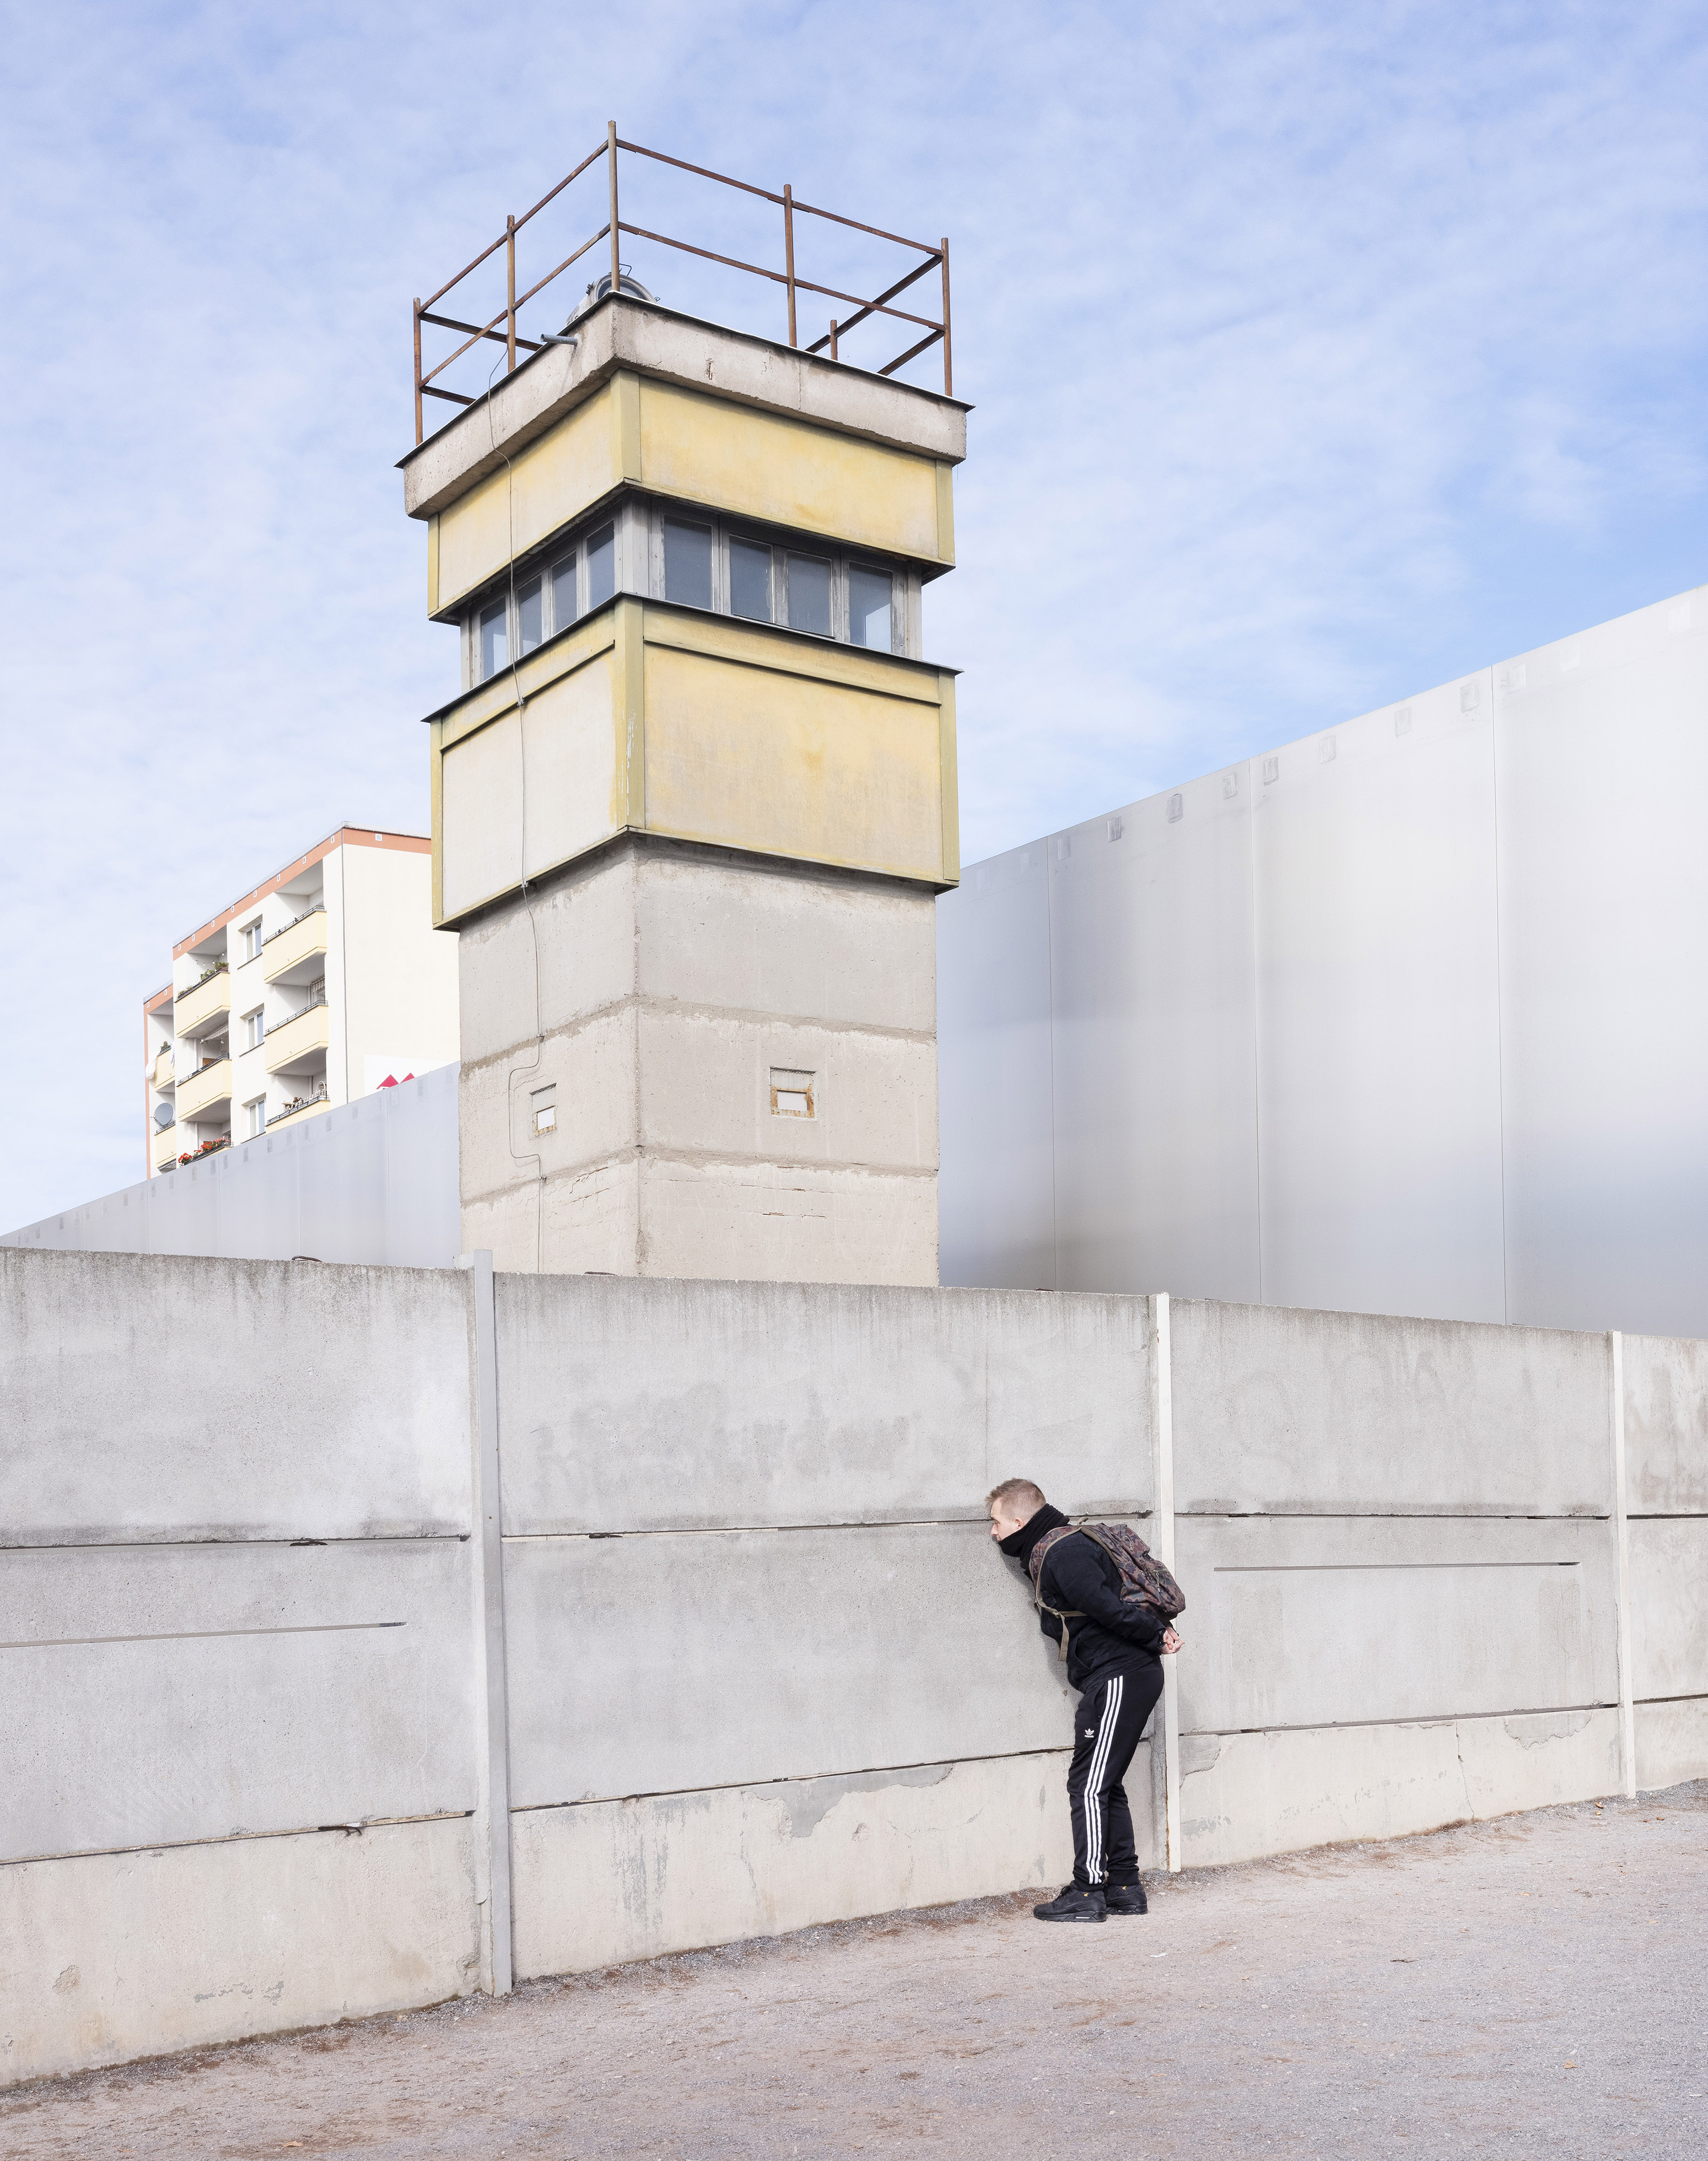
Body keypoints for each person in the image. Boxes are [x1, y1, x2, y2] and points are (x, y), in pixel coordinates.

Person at [987, 1477, 1182, 1923]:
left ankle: (1088, 1890)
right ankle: (1125, 1888)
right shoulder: (1055, 1549)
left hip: (1120, 1675)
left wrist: (1156, 1634)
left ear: (1020, 1521)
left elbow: (1103, 1607)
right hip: (1117, 1677)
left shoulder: (1063, 1552)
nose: (992, 1532)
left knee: (1088, 1784)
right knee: (1104, 1783)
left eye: (996, 1522)